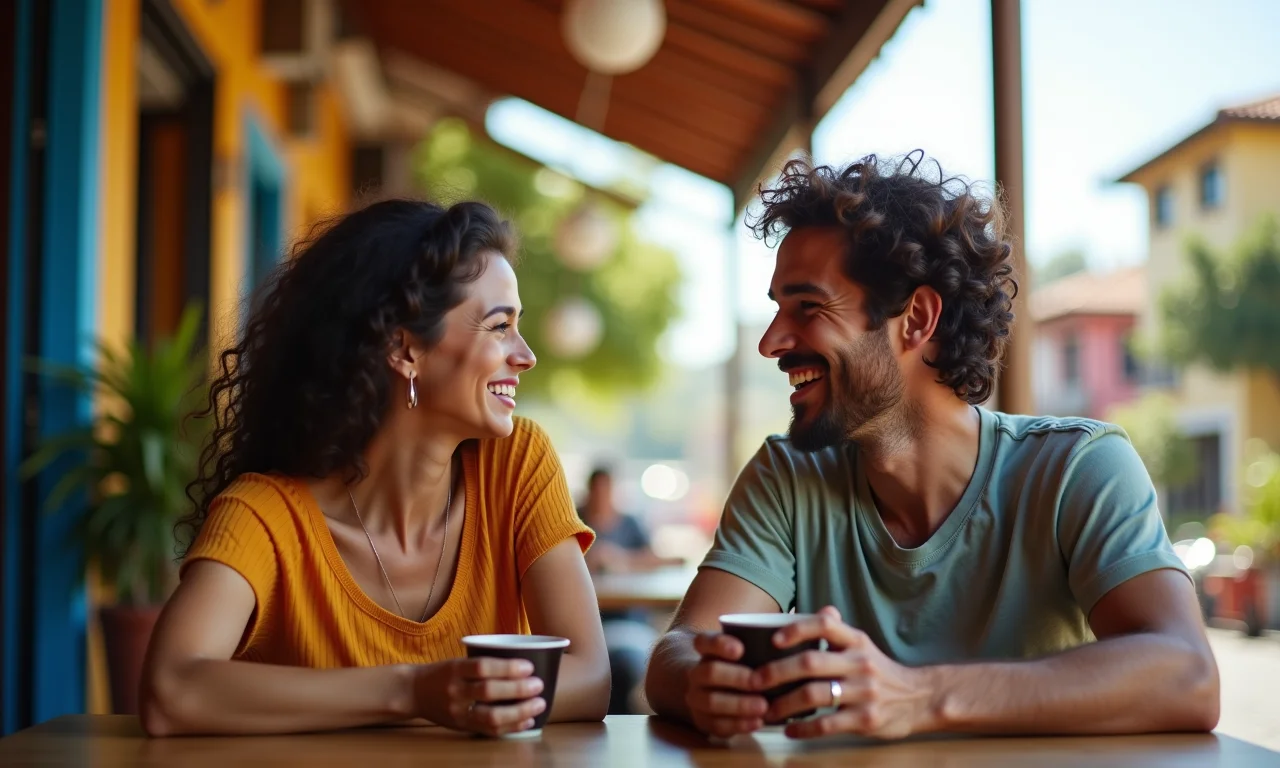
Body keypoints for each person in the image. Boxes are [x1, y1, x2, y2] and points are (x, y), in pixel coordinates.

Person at [645, 153, 1219, 741]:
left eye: (808, 307)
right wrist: (706, 684)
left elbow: (1187, 675)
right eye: (776, 309)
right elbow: (675, 654)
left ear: (915, 318)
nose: (771, 342)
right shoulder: (788, 474)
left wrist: (918, 696)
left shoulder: (1078, 467)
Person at [140, 199, 610, 737]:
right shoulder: (267, 515)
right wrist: (413, 690)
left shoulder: (517, 466)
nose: (525, 355)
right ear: (405, 348)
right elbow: (170, 690)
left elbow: (590, 677)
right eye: (499, 326)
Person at [577, 466, 681, 713]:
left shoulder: (630, 523)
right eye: (597, 490)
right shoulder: (575, 520)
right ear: (589, 492)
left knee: (625, 663)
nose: (602, 496)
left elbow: (659, 559)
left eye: (606, 490)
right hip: (588, 625)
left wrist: (621, 559)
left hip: (629, 621)